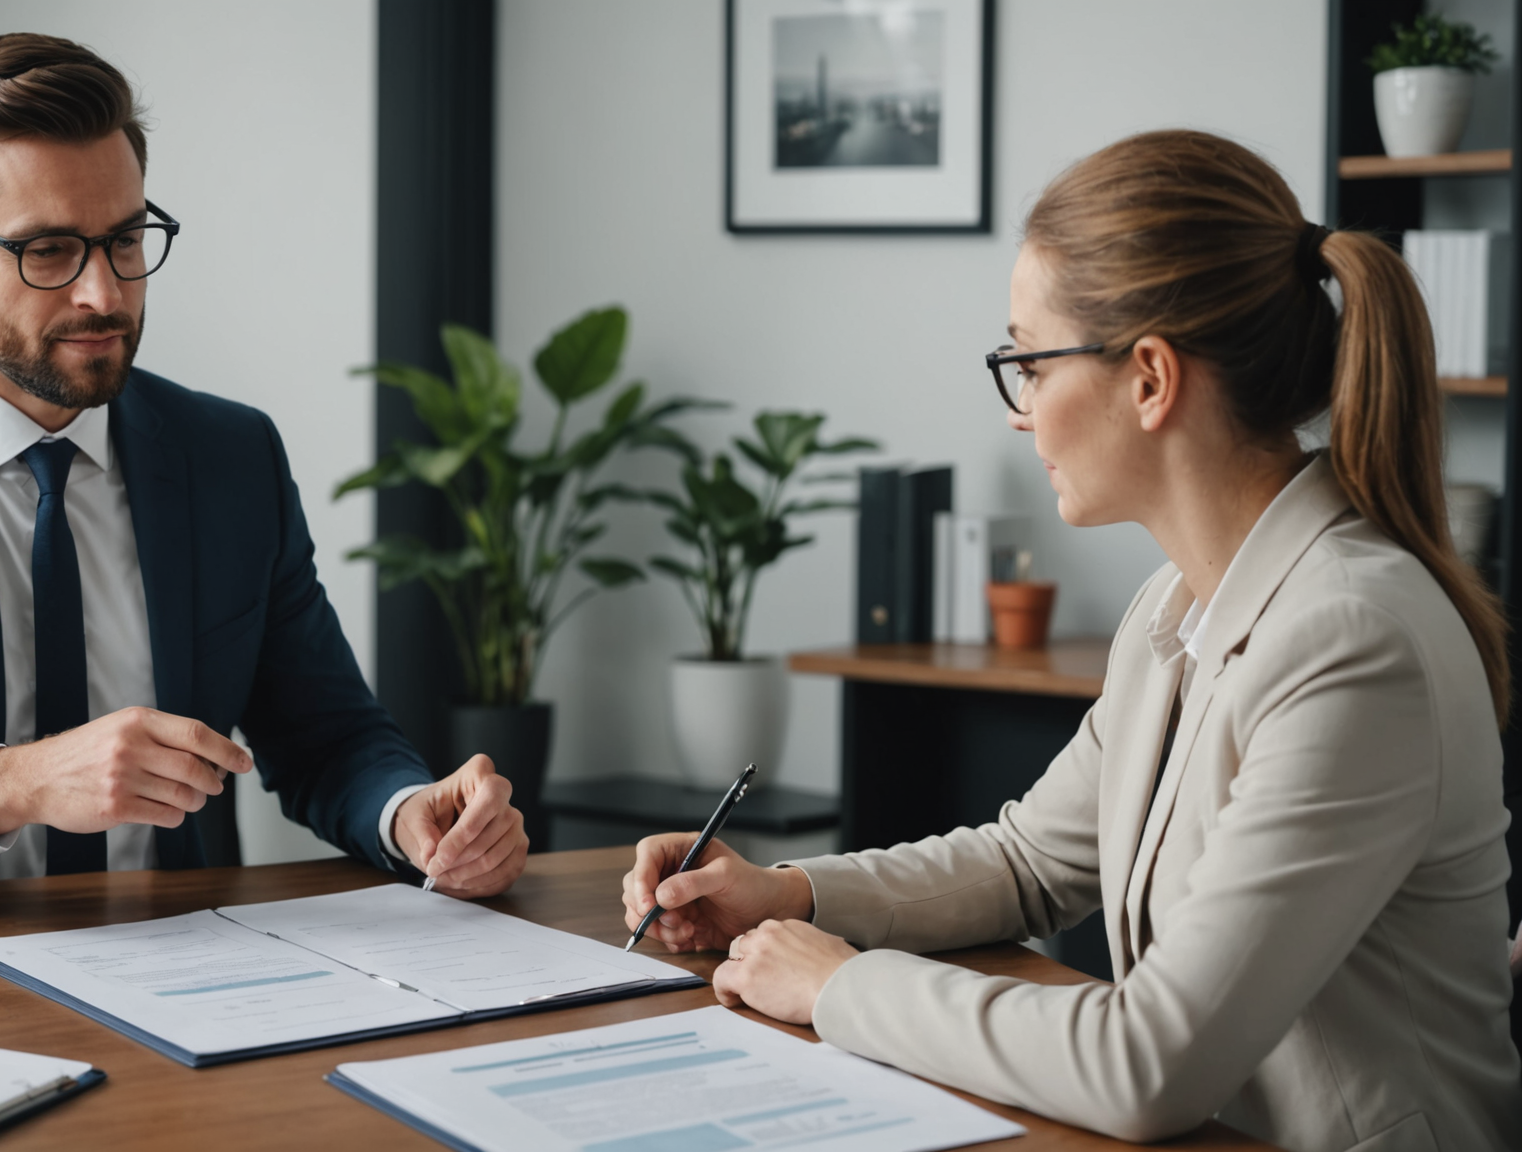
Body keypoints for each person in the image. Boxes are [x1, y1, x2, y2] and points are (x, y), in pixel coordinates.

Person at [623, 130, 1522, 1149]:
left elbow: (1151, 1063)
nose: (1020, 413)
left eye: (1028, 362)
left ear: (1149, 379)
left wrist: (840, 986)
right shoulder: (1173, 607)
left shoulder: (1354, 643)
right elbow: (1028, 863)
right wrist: (785, 893)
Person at [0, 33, 526, 899]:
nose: (104, 294)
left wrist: (409, 811)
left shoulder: (231, 456)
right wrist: (18, 782)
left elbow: (329, 737)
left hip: (193, 970)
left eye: (124, 239)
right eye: (47, 251)